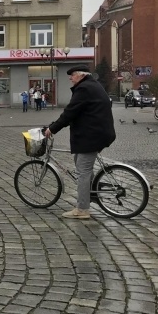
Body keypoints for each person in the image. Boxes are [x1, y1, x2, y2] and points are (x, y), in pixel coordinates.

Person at [43, 65, 116, 219]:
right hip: (98, 133)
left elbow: (70, 112)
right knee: (82, 165)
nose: (70, 78)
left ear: (81, 75)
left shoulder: (84, 89)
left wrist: (52, 128)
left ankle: (82, 209)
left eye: (73, 75)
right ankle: (91, 195)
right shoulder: (93, 85)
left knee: (83, 172)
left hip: (91, 136)